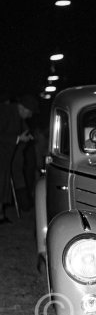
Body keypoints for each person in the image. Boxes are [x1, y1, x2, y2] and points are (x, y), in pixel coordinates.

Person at [0, 95, 38, 223]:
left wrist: (26, 136)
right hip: (3, 155)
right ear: (23, 107)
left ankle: (1, 215)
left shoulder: (17, 115)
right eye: (30, 112)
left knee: (3, 186)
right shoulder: (5, 111)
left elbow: (23, 130)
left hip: (6, 157)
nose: (30, 115)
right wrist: (18, 139)